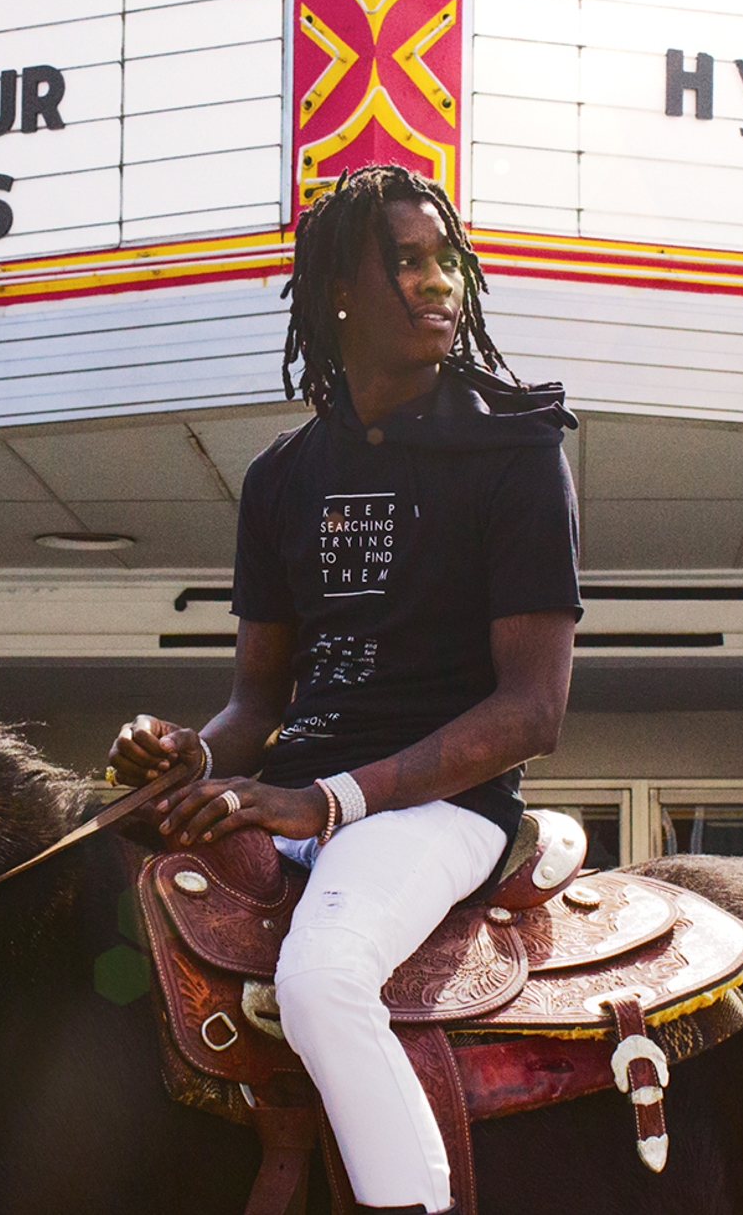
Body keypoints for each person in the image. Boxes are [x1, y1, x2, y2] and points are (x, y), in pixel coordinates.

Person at [107, 164, 581, 1215]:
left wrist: (328, 801)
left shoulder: (515, 448)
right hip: (298, 807)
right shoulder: (282, 475)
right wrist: (192, 756)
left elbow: (531, 712)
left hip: (442, 812)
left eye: (444, 259)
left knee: (322, 982)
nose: (435, 282)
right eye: (404, 261)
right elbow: (257, 705)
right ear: (336, 294)